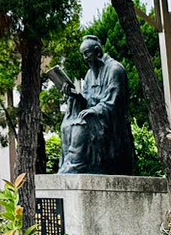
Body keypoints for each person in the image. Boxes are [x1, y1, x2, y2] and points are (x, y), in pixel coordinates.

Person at [52, 36, 136, 175]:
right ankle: (68, 165)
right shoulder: (90, 73)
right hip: (95, 115)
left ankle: (76, 164)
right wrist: (74, 96)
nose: (84, 58)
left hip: (110, 122)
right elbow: (87, 100)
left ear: (97, 51)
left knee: (81, 125)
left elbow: (114, 102)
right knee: (67, 125)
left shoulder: (115, 70)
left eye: (86, 54)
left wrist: (95, 110)